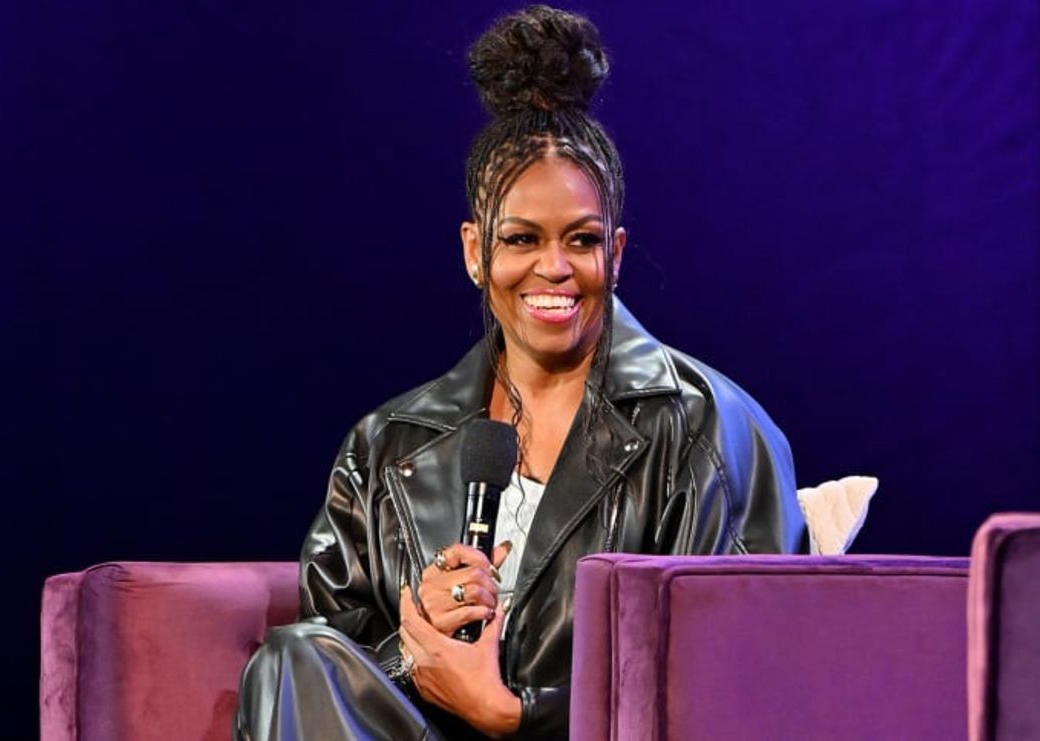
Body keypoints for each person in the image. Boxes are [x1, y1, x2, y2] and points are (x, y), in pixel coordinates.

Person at [235, 6, 804, 740]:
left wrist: (514, 714)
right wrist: (419, 646)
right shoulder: (385, 448)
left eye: (583, 239)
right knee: (291, 658)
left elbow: (736, 676)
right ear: (476, 252)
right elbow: (325, 687)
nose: (554, 267)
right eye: (522, 238)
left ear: (618, 253)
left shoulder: (705, 427)